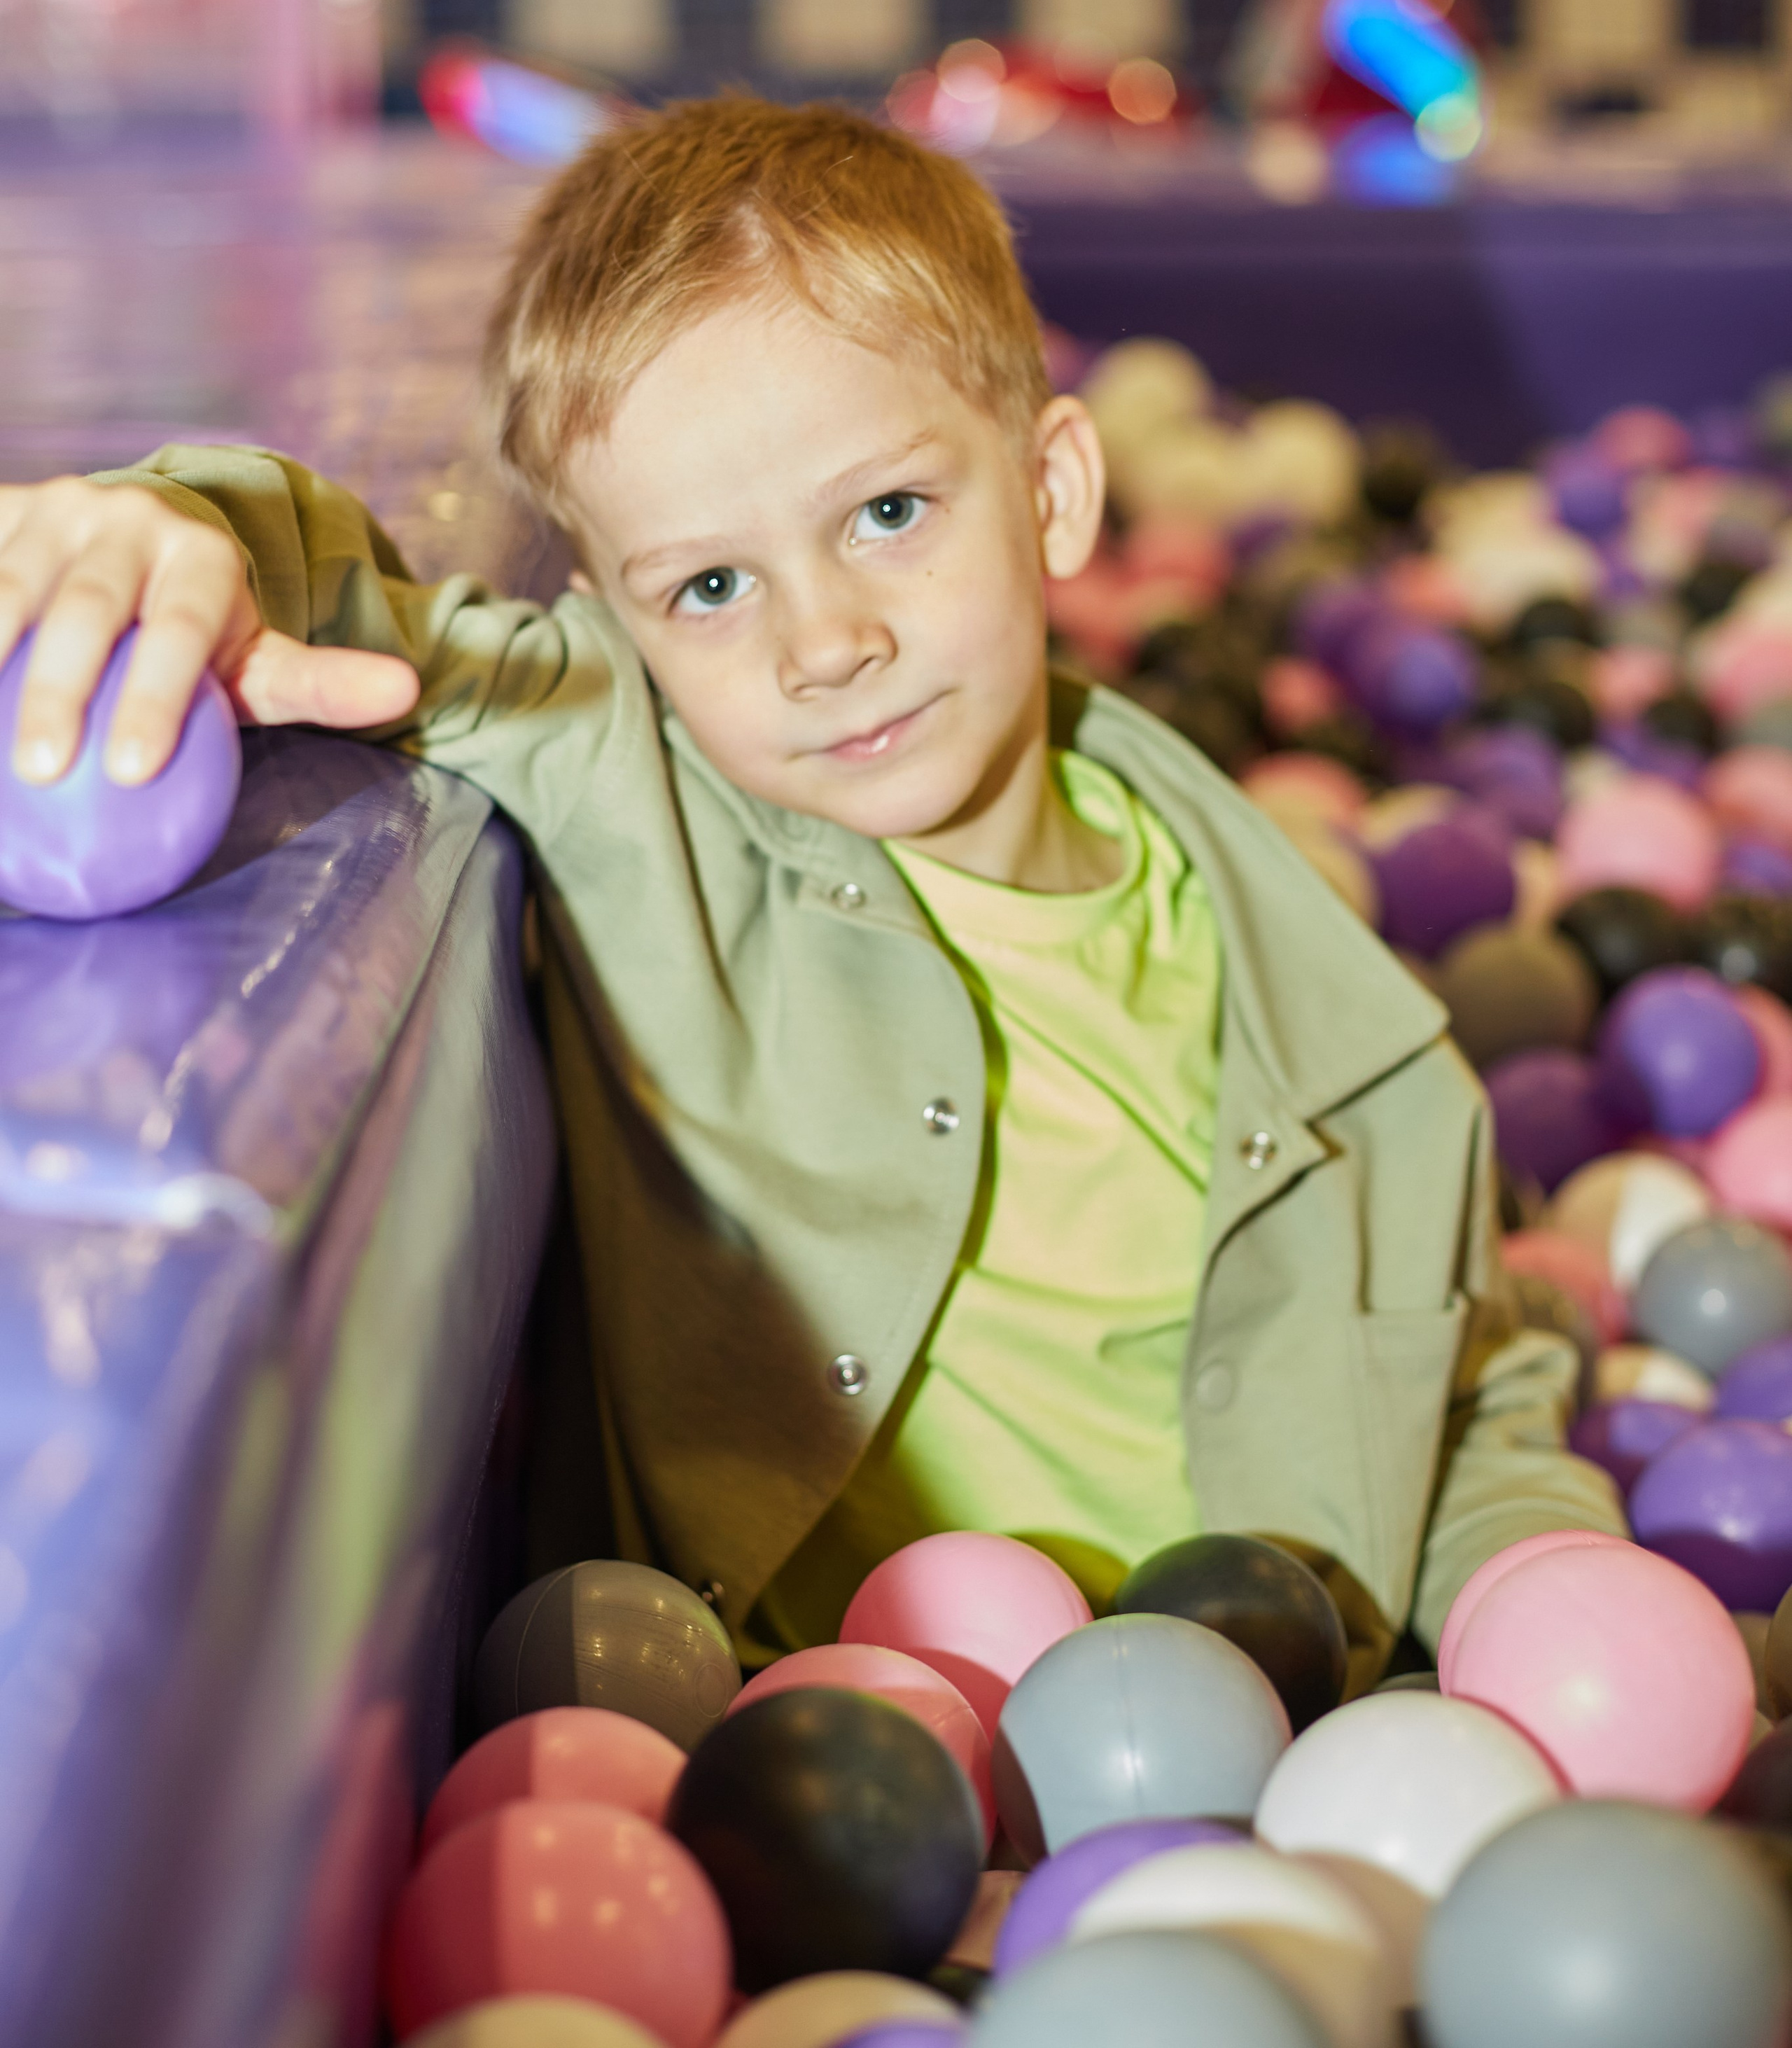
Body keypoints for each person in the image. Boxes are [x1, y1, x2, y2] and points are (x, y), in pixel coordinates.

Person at [0, 95, 1621, 1676]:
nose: (823, 642)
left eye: (889, 513)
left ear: (1053, 493)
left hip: (1302, 1750)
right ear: (625, 630)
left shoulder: (1288, 959)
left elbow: (1458, 1378)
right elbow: (354, 599)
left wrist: (1545, 1597)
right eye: (708, 585)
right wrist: (163, 532)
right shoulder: (655, 811)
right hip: (824, 1800)